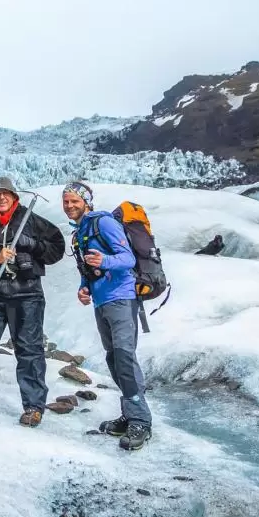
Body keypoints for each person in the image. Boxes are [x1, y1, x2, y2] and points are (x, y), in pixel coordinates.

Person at [0, 176, 65, 427]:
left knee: (29, 350)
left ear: (14, 197)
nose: (1, 198)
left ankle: (33, 406)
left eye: (6, 193)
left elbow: (56, 248)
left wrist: (31, 244)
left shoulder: (31, 221)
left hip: (27, 293)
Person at [64, 181, 153, 451]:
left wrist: (104, 262)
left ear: (86, 202)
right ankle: (130, 414)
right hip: (102, 301)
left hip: (122, 297)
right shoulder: (80, 232)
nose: (69, 206)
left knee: (125, 356)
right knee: (114, 358)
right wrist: (84, 288)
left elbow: (127, 259)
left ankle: (141, 421)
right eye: (66, 202)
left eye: (74, 201)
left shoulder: (103, 223)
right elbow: (87, 268)